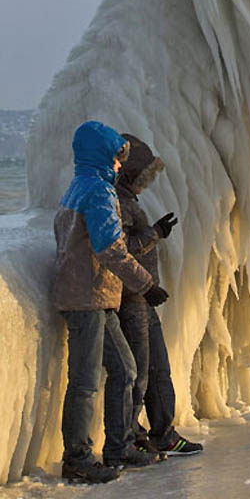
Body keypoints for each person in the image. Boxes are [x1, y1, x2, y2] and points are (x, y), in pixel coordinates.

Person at [53, 121, 169, 483]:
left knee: (125, 369)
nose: (120, 165)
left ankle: (119, 447)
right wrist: (147, 285)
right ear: (102, 156)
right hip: (86, 299)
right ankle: (78, 458)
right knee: (86, 382)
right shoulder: (99, 194)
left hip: (94, 296)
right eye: (117, 157)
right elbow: (111, 251)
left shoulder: (77, 188)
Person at [117, 133, 203, 456]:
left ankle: (161, 431)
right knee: (140, 373)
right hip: (133, 299)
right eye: (143, 176)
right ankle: (135, 435)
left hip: (141, 298)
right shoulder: (121, 203)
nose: (146, 183)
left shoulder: (127, 200)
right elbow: (122, 251)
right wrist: (155, 234)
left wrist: (154, 232)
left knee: (156, 370)